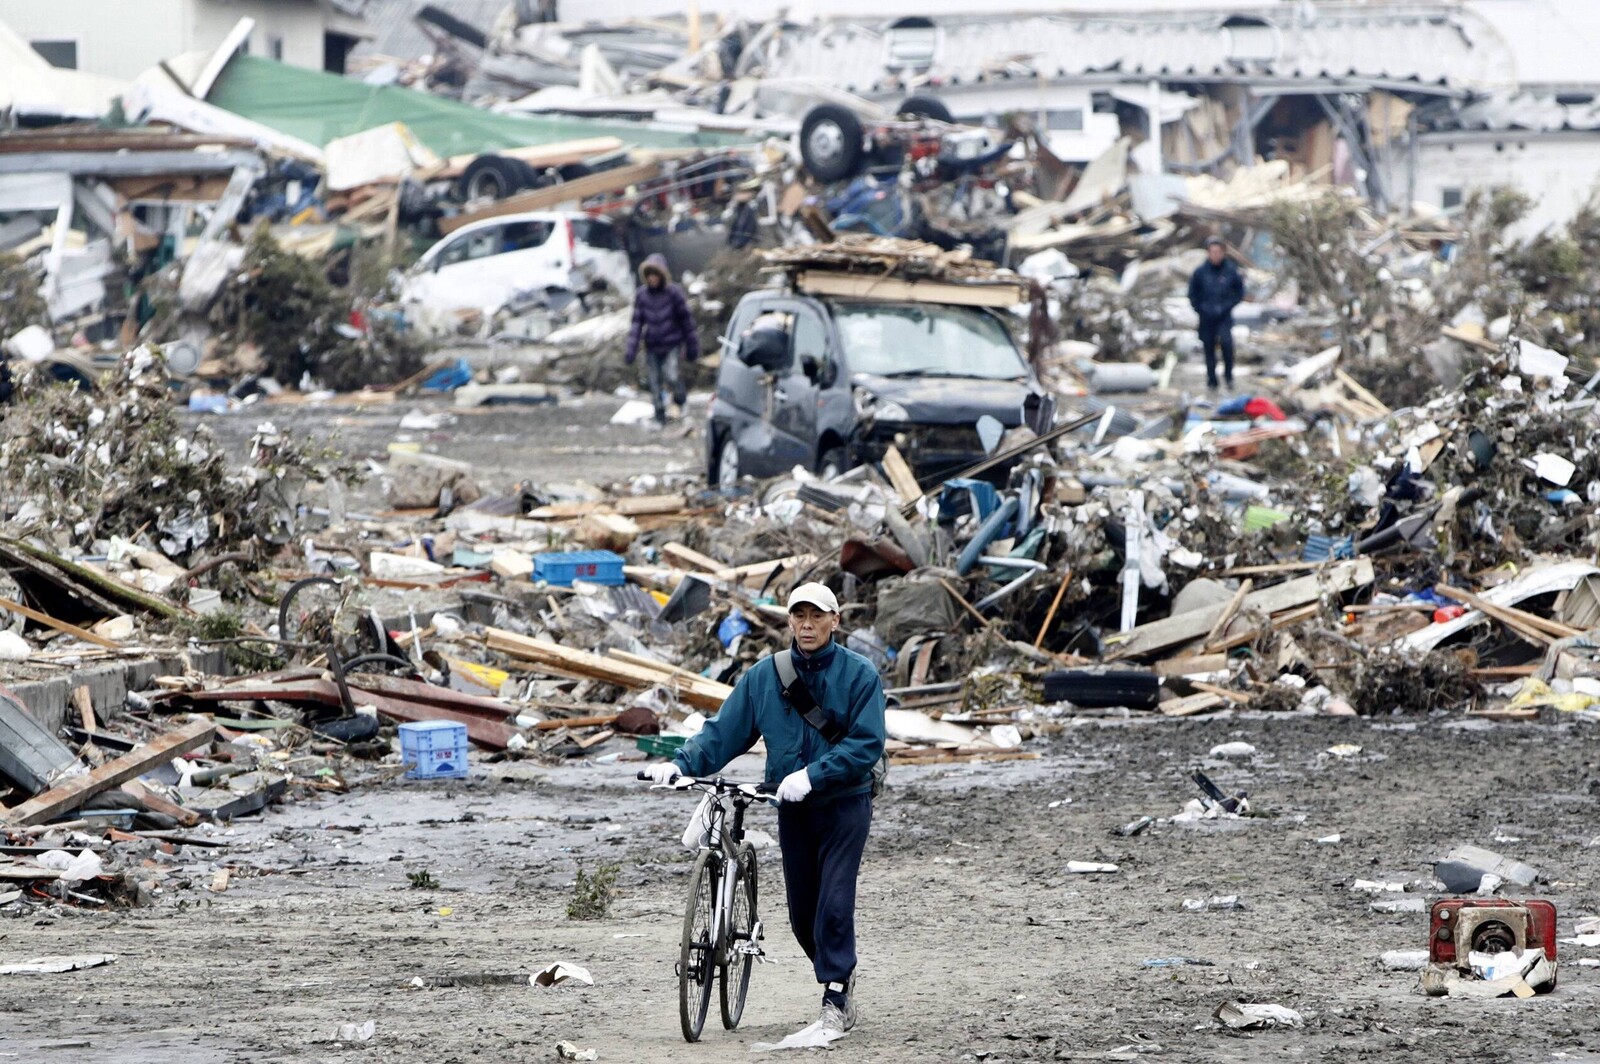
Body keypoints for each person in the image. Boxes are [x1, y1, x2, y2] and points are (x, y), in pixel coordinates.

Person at [644, 582, 886, 1037]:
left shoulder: (860, 675)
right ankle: (841, 975)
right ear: (789, 620)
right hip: (790, 805)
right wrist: (678, 764)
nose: (808, 625)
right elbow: (724, 733)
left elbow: (867, 743)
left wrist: (814, 775)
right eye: (799, 616)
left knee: (834, 904)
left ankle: (835, 994)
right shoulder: (765, 676)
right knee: (801, 917)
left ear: (836, 621)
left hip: (843, 804)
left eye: (818, 616)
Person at [625, 253, 700, 424]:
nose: (652, 278)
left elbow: (687, 321)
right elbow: (637, 324)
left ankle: (680, 399)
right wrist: (631, 349)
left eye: (655, 274)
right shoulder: (642, 296)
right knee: (654, 382)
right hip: (652, 345)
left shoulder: (674, 293)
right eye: (649, 275)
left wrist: (692, 346)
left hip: (672, 343)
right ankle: (660, 416)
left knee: (672, 375)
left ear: (661, 275)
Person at [1187, 236, 1245, 391]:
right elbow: (1193, 294)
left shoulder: (1231, 271)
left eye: (1218, 252)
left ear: (1223, 253)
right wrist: (1201, 308)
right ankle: (1212, 379)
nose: (1216, 255)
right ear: (1208, 253)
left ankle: (1228, 376)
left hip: (1224, 316)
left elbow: (1239, 292)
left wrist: (1226, 306)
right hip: (1206, 316)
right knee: (1209, 347)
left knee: (1227, 344)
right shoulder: (1200, 272)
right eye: (1213, 252)